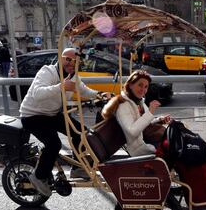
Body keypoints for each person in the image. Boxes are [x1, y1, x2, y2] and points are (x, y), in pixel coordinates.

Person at [21, 48, 110, 197]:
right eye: (68, 59)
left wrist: (101, 95)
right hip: (32, 116)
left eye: (75, 61)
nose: (71, 63)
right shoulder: (47, 72)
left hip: (52, 114)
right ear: (60, 58)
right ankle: (38, 177)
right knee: (53, 144)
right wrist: (61, 86)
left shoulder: (73, 76)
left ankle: (77, 168)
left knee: (82, 133)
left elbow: (83, 90)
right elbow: (37, 94)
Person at [101, 70, 170, 156]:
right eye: (140, 85)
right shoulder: (123, 105)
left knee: (176, 137)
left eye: (146, 87)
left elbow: (144, 124)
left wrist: (159, 120)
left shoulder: (139, 101)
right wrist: (150, 111)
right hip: (141, 148)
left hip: (149, 140)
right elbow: (133, 132)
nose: (143, 90)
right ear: (130, 85)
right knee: (176, 145)